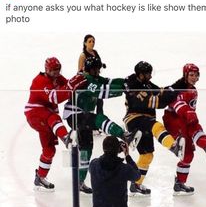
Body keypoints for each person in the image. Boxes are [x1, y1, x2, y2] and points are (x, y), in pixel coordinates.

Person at [63, 56, 141, 194]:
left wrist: (126, 81)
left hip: (83, 116)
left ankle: (79, 182)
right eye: (96, 69)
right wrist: (124, 89)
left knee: (87, 149)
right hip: (74, 115)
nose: (99, 72)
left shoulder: (94, 78)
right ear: (89, 70)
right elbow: (103, 91)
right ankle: (124, 135)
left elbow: (109, 81)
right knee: (98, 119)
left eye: (99, 69)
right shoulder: (85, 80)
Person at [123, 61, 185, 195]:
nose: (150, 76)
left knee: (147, 156)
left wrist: (181, 82)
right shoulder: (132, 85)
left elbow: (162, 91)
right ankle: (173, 146)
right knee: (156, 125)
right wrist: (168, 96)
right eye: (147, 73)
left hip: (144, 120)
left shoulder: (147, 84)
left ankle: (136, 185)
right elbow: (159, 101)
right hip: (134, 118)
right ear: (140, 75)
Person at [24, 57, 85, 191]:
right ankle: (65, 138)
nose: (57, 72)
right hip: (35, 113)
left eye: (58, 69)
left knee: (49, 150)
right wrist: (71, 85)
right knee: (53, 117)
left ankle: (40, 177)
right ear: (47, 70)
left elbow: (68, 86)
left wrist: (78, 78)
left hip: (45, 118)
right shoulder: (39, 81)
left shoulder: (57, 77)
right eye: (53, 70)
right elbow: (56, 97)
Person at [163, 63, 206, 195]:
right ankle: (204, 148)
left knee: (188, 155)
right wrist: (188, 112)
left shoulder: (193, 91)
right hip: (173, 120)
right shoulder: (177, 87)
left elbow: (189, 111)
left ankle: (180, 183)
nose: (194, 77)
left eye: (196, 75)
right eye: (191, 75)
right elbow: (176, 103)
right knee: (193, 127)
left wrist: (190, 114)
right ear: (185, 75)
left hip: (184, 120)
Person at [89, 136, 141, 207]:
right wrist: (127, 155)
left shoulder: (93, 164)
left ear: (103, 148)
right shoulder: (124, 169)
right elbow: (137, 176)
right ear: (117, 149)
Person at [78, 34, 106, 116]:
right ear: (85, 43)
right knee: (89, 100)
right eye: (90, 41)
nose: (92, 43)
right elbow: (79, 70)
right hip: (88, 81)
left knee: (100, 99)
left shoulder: (95, 52)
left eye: (93, 41)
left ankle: (100, 117)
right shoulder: (83, 55)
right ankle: (87, 119)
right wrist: (88, 73)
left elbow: (98, 62)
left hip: (96, 78)